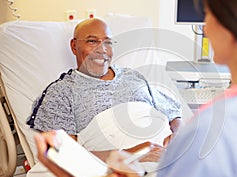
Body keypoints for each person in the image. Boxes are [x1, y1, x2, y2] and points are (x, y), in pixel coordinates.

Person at [34, 0, 237, 177]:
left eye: (208, 16)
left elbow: (175, 118)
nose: (205, 28)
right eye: (92, 41)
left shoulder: (214, 129)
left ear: (232, 31)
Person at [27, 18, 182, 148]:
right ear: (74, 46)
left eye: (107, 43)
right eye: (92, 41)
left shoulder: (133, 77)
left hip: (167, 157)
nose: (102, 50)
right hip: (121, 169)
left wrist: (176, 138)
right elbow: (69, 155)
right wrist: (132, 156)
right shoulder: (62, 92)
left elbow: (173, 114)